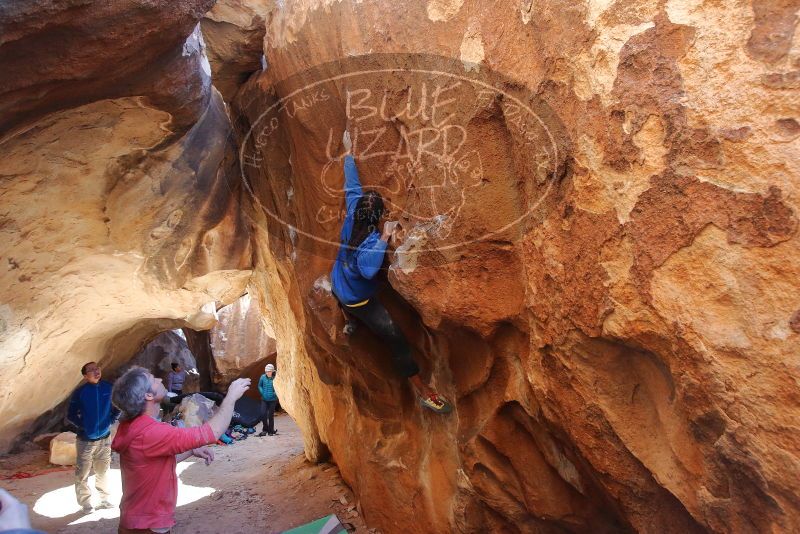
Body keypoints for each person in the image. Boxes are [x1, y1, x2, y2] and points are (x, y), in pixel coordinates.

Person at [330, 130, 452, 414]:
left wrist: (349, 156)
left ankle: (349, 320)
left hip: (339, 284)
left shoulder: (351, 216)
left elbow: (352, 188)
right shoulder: (371, 242)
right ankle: (422, 390)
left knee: (345, 297)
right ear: (377, 218)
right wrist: (385, 237)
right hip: (360, 299)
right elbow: (368, 270)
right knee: (395, 338)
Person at [111, 367, 250, 534]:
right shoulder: (150, 433)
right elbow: (211, 433)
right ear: (148, 395)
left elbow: (155, 465)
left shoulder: (133, 427)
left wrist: (191, 450)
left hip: (138, 521)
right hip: (146, 526)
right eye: (154, 379)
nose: (160, 380)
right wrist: (231, 397)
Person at [67, 361, 118, 514]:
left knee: (102, 471)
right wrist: (84, 426)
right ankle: (86, 503)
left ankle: (104, 499)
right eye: (91, 370)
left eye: (97, 368)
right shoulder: (80, 392)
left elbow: (117, 407)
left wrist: (110, 420)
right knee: (82, 473)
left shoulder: (108, 388)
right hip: (85, 440)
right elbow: (71, 414)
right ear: (85, 375)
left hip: (104, 439)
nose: (96, 371)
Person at [258, 364, 279, 436]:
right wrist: (262, 392)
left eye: (269, 371)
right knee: (263, 414)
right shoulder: (262, 377)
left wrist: (275, 393)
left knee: (270, 415)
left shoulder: (276, 378)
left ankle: (271, 431)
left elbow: (279, 386)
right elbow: (259, 385)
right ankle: (265, 429)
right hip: (264, 399)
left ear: (272, 371)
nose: (267, 373)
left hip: (273, 400)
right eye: (266, 371)